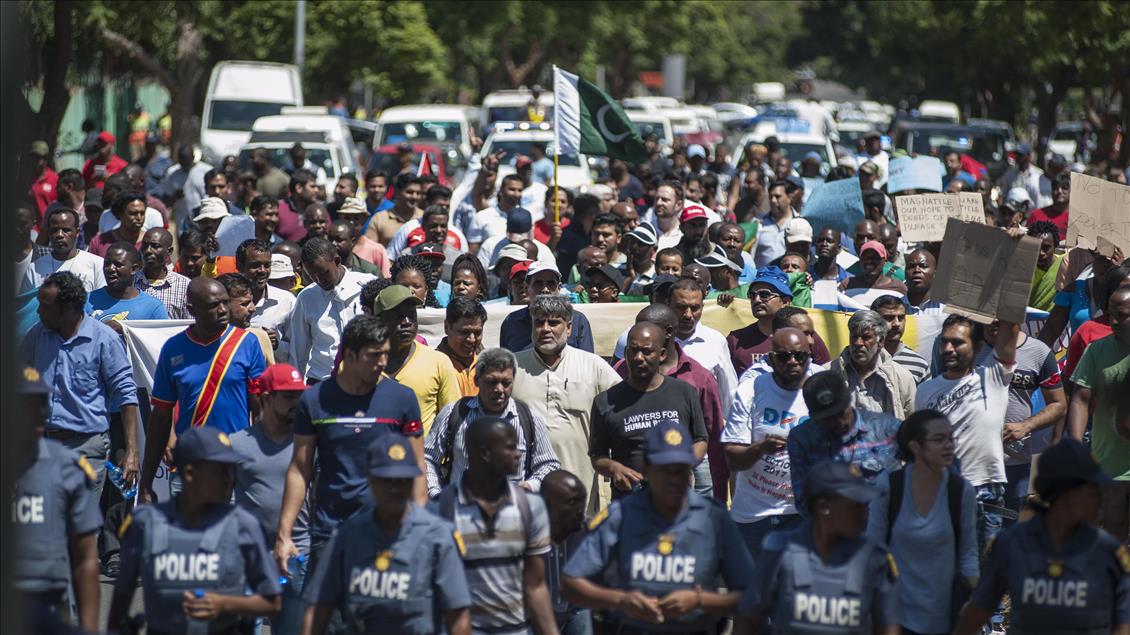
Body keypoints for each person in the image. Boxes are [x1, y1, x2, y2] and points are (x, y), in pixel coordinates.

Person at [564, 420, 753, 633]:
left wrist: (700, 600)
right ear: (646, 469)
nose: (674, 479)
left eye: (681, 470)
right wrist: (620, 600)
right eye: (665, 470)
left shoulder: (714, 518)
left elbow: (752, 598)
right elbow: (570, 583)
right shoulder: (621, 516)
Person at [276, 316, 424, 581]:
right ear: (350, 355)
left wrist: (420, 527)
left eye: (385, 354)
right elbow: (300, 469)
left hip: (387, 532)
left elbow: (417, 467)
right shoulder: (314, 400)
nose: (382, 362)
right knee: (324, 619)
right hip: (330, 531)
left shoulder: (402, 398)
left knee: (377, 619)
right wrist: (284, 534)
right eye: (373, 355)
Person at [108, 427, 283, 634]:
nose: (229, 478)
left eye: (231, 469)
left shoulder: (243, 525)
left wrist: (224, 604)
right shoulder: (146, 524)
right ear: (190, 473)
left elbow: (273, 602)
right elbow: (120, 599)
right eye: (220, 470)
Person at [952, 438, 1130, 635]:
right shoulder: (1012, 544)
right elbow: (978, 611)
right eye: (1093, 493)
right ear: (1068, 494)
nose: (1100, 501)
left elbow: (1122, 624)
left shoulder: (1109, 552)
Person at [302, 433, 473, 635]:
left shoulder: (438, 536)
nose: (395, 488)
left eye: (403, 480)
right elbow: (318, 610)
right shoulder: (347, 537)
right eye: (387, 480)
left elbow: (458, 618)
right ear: (370, 479)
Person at [733, 460, 900, 635]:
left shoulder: (874, 559)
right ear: (823, 507)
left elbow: (888, 626)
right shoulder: (780, 553)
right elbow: (748, 617)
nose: (865, 512)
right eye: (855, 505)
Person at [139, 277, 268, 502]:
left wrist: (261, 465)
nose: (222, 310)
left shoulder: (247, 343)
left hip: (235, 466)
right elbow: (160, 416)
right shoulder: (173, 349)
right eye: (213, 305)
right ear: (192, 309)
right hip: (188, 468)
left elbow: (260, 410)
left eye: (225, 302)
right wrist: (147, 482)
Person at [21, 271, 141, 503]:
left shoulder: (103, 339)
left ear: (67, 309)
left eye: (45, 306)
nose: (38, 312)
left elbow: (126, 395)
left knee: (79, 529)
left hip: (86, 448)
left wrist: (132, 452)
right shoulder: (36, 335)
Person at [431, 417, 558, 635]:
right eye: (510, 447)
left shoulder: (531, 507)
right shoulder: (442, 511)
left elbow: (535, 586)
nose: (519, 453)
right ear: (485, 453)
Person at [866, 409, 978, 635]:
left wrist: (974, 601)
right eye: (939, 439)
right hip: (896, 620)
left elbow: (968, 553)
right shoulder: (889, 486)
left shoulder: (960, 490)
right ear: (915, 446)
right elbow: (872, 550)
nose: (949, 446)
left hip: (946, 617)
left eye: (951, 438)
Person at [915, 313, 1020, 552]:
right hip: (940, 494)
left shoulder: (992, 377)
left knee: (981, 578)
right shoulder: (925, 390)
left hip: (984, 494)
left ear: (978, 346)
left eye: (958, 342)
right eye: (944, 341)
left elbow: (1011, 325)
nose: (949, 348)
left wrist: (1010, 293)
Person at [512, 294, 622, 511]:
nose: (545, 329)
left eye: (554, 322)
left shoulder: (594, 366)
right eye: (539, 322)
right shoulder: (512, 365)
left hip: (582, 483)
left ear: (569, 328)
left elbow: (623, 411)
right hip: (526, 488)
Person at [12, 367, 102, 632]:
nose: (37, 412)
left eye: (41, 403)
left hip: (51, 607)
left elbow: (85, 557)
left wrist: (88, 628)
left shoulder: (69, 468)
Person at [612, 304, 729, 500]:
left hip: (695, 473)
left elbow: (713, 434)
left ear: (668, 332)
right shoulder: (621, 370)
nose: (638, 332)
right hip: (635, 474)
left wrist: (719, 492)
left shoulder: (698, 377)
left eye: (645, 326)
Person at [227, 364, 309, 633]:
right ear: (266, 397)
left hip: (298, 555)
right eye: (288, 395)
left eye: (299, 395)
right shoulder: (236, 443)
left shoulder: (310, 444)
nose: (296, 402)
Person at [723, 327, 819, 555]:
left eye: (800, 356)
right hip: (755, 515)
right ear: (771, 358)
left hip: (804, 514)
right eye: (784, 356)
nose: (793, 362)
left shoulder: (822, 389)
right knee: (753, 587)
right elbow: (732, 460)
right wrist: (760, 448)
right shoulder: (751, 390)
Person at [590, 321, 709, 501]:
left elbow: (701, 439)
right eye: (633, 350)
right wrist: (615, 469)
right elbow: (598, 457)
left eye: (646, 351)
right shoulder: (605, 401)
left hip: (677, 501)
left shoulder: (684, 392)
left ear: (661, 355)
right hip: (629, 504)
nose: (638, 357)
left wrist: (681, 465)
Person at [425, 347, 561, 497]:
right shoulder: (454, 414)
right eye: (492, 382)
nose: (499, 389)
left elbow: (549, 464)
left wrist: (529, 486)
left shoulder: (529, 419)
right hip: (460, 513)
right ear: (477, 380)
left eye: (506, 383)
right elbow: (428, 458)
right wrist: (436, 495)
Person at [977, 318, 1067, 524]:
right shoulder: (966, 345)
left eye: (1001, 316)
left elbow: (1058, 404)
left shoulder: (1039, 352)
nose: (993, 321)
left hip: (1015, 463)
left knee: (1008, 529)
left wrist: (1025, 426)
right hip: (971, 462)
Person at [1067, 285, 1130, 542]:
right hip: (1109, 464)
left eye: (1122, 314)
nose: (1113, 320)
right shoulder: (1097, 350)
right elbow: (1081, 399)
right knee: (1111, 535)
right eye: (1111, 313)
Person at [374, 285, 462, 433]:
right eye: (399, 316)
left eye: (412, 315)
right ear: (379, 320)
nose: (407, 322)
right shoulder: (358, 365)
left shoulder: (438, 362)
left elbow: (453, 419)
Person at [289, 237, 376, 382]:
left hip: (365, 379)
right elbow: (298, 352)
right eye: (312, 276)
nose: (319, 279)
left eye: (324, 273)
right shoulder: (306, 298)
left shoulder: (367, 285)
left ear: (336, 261)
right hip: (321, 381)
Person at [828, 309, 917, 419]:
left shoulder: (902, 378)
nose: (858, 343)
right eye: (854, 336)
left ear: (880, 342)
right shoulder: (829, 373)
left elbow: (912, 425)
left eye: (866, 337)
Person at [539, 470, 592, 635]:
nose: (579, 509)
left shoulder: (590, 530)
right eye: (572, 502)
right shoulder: (527, 533)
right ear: (546, 504)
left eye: (582, 502)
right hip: (534, 612)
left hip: (575, 609)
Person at [499, 262, 595, 352]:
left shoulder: (577, 320)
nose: (545, 289)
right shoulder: (511, 322)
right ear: (527, 289)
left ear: (559, 288)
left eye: (551, 284)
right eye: (538, 283)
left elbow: (587, 361)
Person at [726, 267, 795, 375]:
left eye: (765, 295)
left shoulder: (804, 338)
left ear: (785, 302)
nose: (757, 300)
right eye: (752, 295)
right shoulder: (735, 340)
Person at [22, 207, 106, 294]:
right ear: (48, 233)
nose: (59, 235)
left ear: (77, 232)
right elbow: (28, 306)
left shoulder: (97, 265)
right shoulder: (34, 268)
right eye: (54, 230)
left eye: (66, 230)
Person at [236, 238, 295, 359]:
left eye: (267, 265)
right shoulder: (227, 300)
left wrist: (276, 345)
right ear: (240, 266)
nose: (263, 271)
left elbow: (298, 349)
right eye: (255, 265)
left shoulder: (287, 301)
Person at [870, 294, 930, 384]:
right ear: (873, 321)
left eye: (901, 318)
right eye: (889, 318)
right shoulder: (860, 358)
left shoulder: (919, 364)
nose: (897, 324)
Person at [438, 296, 487, 397]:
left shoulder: (489, 365)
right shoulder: (433, 365)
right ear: (447, 327)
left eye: (477, 332)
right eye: (464, 332)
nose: (471, 339)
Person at [138, 227, 191, 319]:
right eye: (145, 246)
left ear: (169, 251)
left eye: (155, 246)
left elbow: (190, 325)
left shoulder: (184, 286)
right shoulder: (130, 282)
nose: (148, 251)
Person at [336, 196, 393, 276]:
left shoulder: (376, 250)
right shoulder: (334, 248)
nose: (351, 222)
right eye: (347, 218)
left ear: (365, 219)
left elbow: (386, 279)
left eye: (356, 218)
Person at [367, 173, 424, 246]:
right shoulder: (379, 219)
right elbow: (369, 249)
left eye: (418, 193)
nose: (414, 197)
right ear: (398, 192)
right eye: (410, 192)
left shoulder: (425, 218)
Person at [754, 180, 799, 268]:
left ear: (789, 198)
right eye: (771, 197)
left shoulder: (799, 224)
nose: (773, 200)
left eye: (778, 196)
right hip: (761, 278)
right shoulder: (758, 223)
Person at [1028, 220, 1064, 312]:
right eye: (1036, 247)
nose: (1041, 253)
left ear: (1055, 246)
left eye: (1046, 247)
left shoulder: (1065, 265)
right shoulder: (1022, 267)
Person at [1026, 173, 1071, 241]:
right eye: (1055, 188)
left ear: (1071, 191)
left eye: (1064, 188)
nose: (1059, 191)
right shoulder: (1036, 215)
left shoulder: (1079, 220)